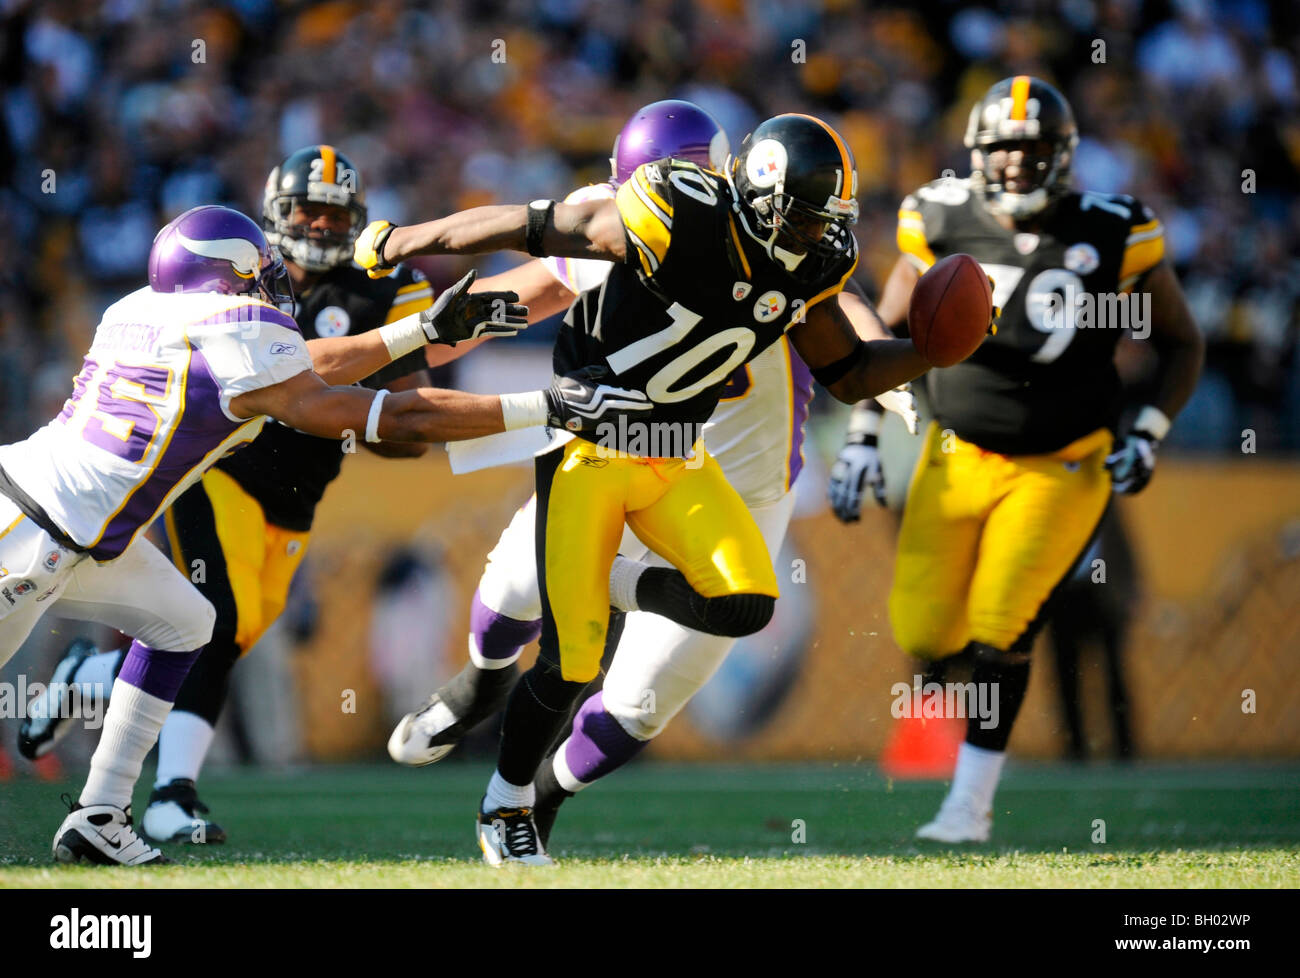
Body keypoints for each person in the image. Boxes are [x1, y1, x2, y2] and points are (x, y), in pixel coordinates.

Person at [357, 112, 978, 864]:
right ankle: (494, 749)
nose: (823, 233)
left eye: (828, 222)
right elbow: (524, 240)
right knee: (547, 632)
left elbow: (844, 339)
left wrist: (926, 352)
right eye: (813, 219)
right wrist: (401, 289)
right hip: (590, 442)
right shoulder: (651, 212)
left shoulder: (806, 256)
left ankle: (568, 703)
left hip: (692, 463)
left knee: (713, 631)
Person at [0, 203, 650, 866]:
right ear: (225, 278)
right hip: (36, 533)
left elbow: (314, 369)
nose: (267, 288)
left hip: (74, 520)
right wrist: (546, 406)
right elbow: (381, 415)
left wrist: (418, 330)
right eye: (254, 275)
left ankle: (100, 814)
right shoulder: (234, 324)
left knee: (189, 623)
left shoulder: (135, 309)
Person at [21, 146, 436, 844]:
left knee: (225, 635)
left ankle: (91, 676)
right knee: (211, 618)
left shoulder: (386, 283)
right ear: (276, 214)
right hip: (220, 468)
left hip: (298, 494)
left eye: (335, 213)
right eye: (307, 210)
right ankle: (169, 795)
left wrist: (394, 420)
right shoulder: (239, 282)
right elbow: (296, 370)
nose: (321, 225)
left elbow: (404, 414)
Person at [826, 77, 1203, 842]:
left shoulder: (1116, 229)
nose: (1017, 164)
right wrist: (864, 437)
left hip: (1063, 464)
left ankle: (967, 806)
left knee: (1005, 626)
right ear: (977, 154)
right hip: (955, 453)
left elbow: (1181, 343)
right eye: (1002, 148)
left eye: (1032, 150)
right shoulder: (937, 217)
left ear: (1062, 155)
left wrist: (1149, 429)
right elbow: (880, 339)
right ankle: (969, 739)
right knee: (926, 633)